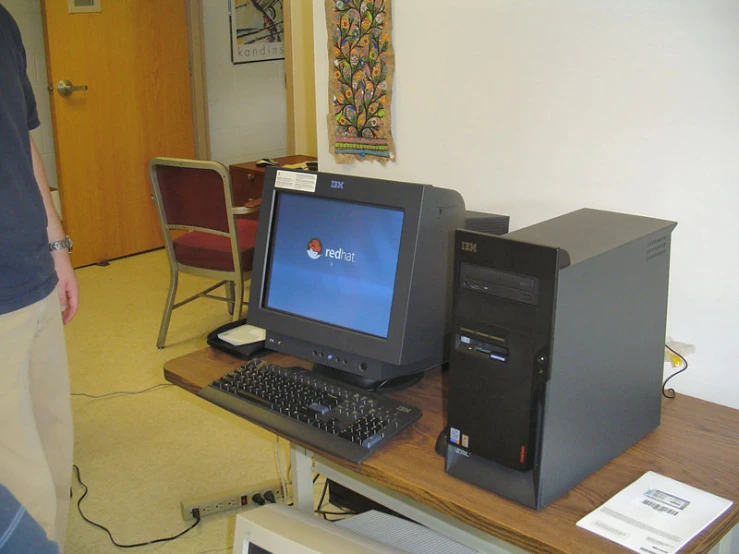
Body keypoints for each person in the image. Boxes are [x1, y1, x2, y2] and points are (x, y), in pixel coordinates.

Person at [0, 4, 79, 550]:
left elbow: (23, 139)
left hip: (33, 267)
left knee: (55, 443)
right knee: (17, 471)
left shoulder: (4, 21)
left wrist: (57, 246)